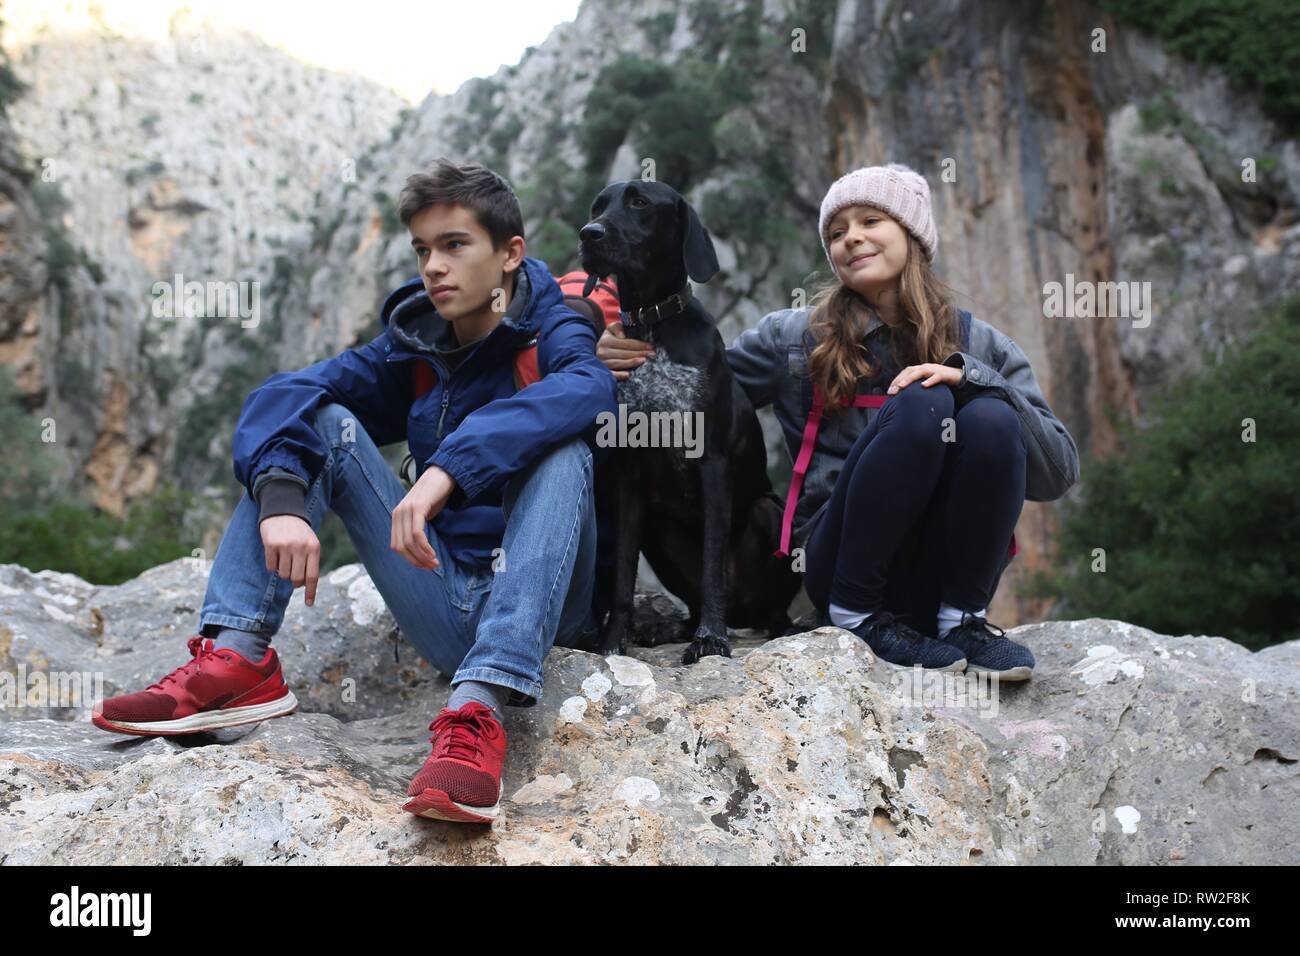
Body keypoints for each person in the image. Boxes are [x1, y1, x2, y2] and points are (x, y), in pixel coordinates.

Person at [92, 159, 617, 824]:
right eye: (423, 249)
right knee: (317, 420)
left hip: (549, 606)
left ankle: (476, 710)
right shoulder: (418, 344)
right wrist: (283, 499)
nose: (434, 267)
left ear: (510, 254)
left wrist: (447, 469)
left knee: (563, 445)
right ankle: (239, 657)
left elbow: (589, 389)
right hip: (447, 600)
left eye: (455, 245)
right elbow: (286, 393)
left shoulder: (553, 327)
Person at [598, 163, 1080, 679]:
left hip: (942, 572)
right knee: (923, 405)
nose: (852, 238)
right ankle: (860, 617)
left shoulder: (980, 342)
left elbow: (1056, 474)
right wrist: (622, 349)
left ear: (912, 233)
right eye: (836, 231)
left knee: (987, 412)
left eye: (871, 221)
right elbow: (704, 396)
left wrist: (973, 377)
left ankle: (964, 621)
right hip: (840, 566)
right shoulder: (791, 338)